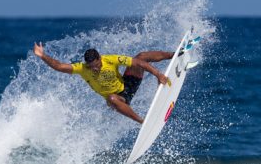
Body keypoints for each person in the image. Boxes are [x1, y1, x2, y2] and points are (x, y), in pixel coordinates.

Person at [33, 42, 173, 124]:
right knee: (111, 98)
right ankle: (143, 122)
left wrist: (158, 74)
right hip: (118, 99)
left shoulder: (110, 59)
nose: (94, 69)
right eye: (91, 67)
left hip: (127, 85)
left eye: (96, 65)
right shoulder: (82, 69)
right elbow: (59, 66)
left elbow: (137, 63)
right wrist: (42, 55)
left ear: (100, 58)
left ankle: (175, 54)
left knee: (141, 56)